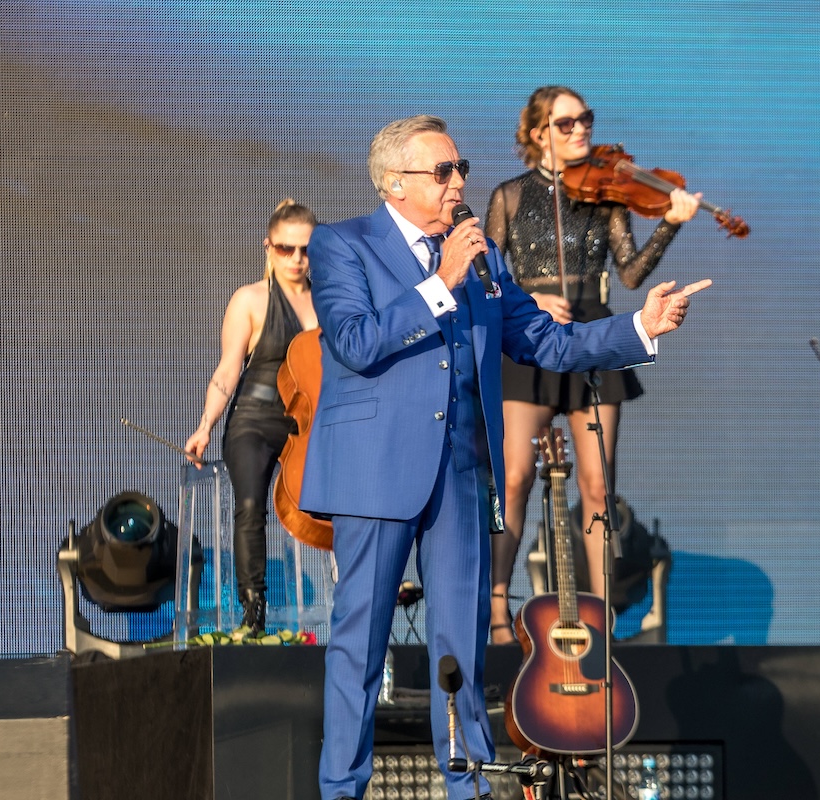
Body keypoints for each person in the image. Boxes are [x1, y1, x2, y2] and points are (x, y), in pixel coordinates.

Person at [300, 115, 709, 800]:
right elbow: (353, 341)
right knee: (358, 645)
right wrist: (441, 282)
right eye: (442, 172)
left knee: (460, 642)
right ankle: (342, 790)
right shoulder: (345, 244)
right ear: (394, 183)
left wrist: (641, 324)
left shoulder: (480, 254)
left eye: (461, 169)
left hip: (460, 474)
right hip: (374, 474)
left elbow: (548, 343)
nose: (459, 182)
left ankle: (470, 787)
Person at [484, 86, 700, 643]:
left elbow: (629, 275)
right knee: (513, 477)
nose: (581, 130)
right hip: (529, 338)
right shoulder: (509, 196)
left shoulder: (605, 197)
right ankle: (498, 609)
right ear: (537, 134)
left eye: (586, 120)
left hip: (594, 333)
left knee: (598, 485)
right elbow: (482, 279)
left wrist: (670, 222)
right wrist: (530, 302)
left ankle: (599, 618)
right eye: (566, 123)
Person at [184, 199, 319, 634]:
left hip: (308, 422)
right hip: (254, 419)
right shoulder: (251, 299)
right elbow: (228, 369)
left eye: (304, 249)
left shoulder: (328, 300)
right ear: (268, 247)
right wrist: (205, 424)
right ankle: (253, 609)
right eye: (285, 249)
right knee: (249, 508)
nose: (296, 259)